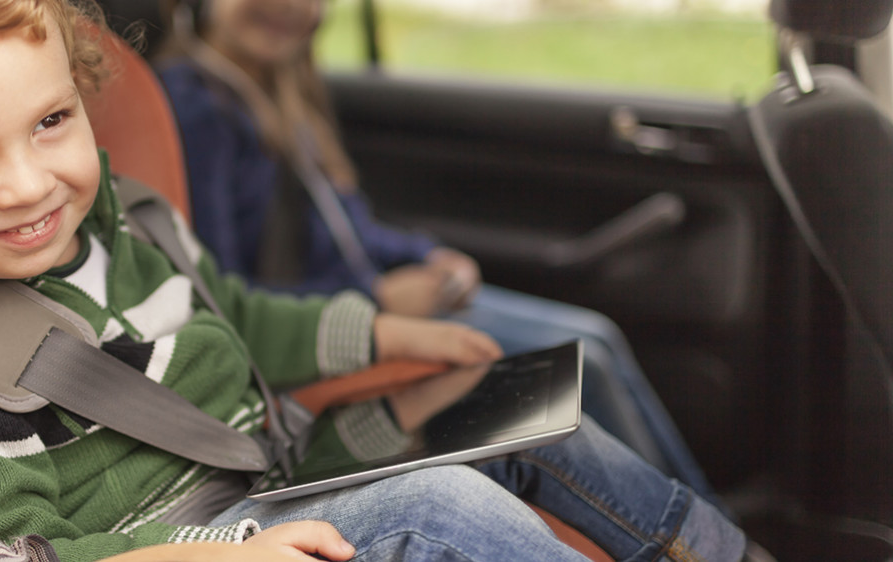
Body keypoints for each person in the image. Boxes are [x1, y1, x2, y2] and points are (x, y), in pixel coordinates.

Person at [0, 0, 750, 560]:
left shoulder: (119, 219)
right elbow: (26, 551)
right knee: (448, 508)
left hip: (275, 467)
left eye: (50, 123)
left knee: (537, 402)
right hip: (194, 541)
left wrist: (381, 336)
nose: (30, 183)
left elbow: (231, 312)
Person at [154, 0, 712, 496]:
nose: (291, 6)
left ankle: (695, 510)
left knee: (597, 335)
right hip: (331, 320)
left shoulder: (284, 88)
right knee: (582, 351)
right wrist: (373, 298)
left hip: (376, 296)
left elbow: (350, 226)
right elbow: (221, 289)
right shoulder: (197, 106)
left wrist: (425, 257)